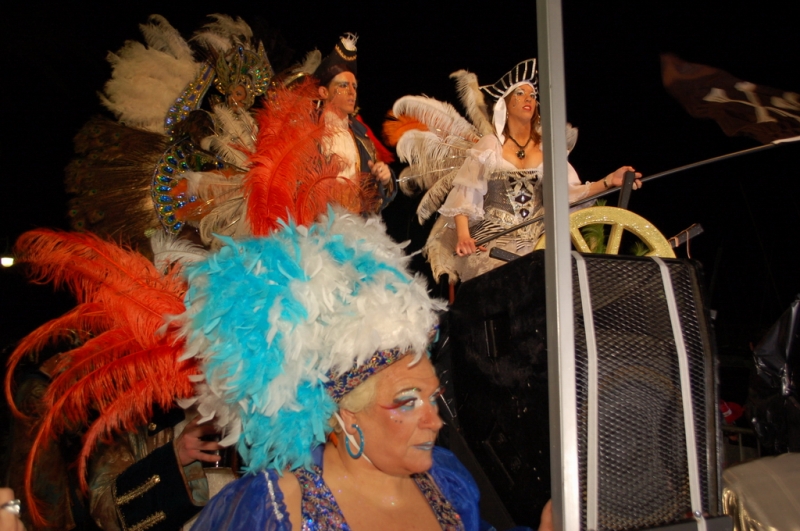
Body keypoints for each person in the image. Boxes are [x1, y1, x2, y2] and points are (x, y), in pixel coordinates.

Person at [175, 207, 547, 530]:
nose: (435, 421)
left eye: (433, 399)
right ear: (348, 417)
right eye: (407, 401)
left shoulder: (446, 480)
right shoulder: (274, 508)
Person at [437, 59, 642, 281]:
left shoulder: (549, 151)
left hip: (539, 245)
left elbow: (569, 194)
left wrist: (608, 181)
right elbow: (465, 194)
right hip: (494, 243)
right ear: (506, 104)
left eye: (533, 95)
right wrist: (464, 236)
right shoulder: (490, 145)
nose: (529, 99)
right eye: (520, 93)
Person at [314, 34, 397, 213]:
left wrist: (384, 179)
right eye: (343, 86)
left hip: (356, 229)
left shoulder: (362, 140)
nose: (352, 92)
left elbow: (376, 202)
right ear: (323, 92)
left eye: (354, 86)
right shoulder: (308, 135)